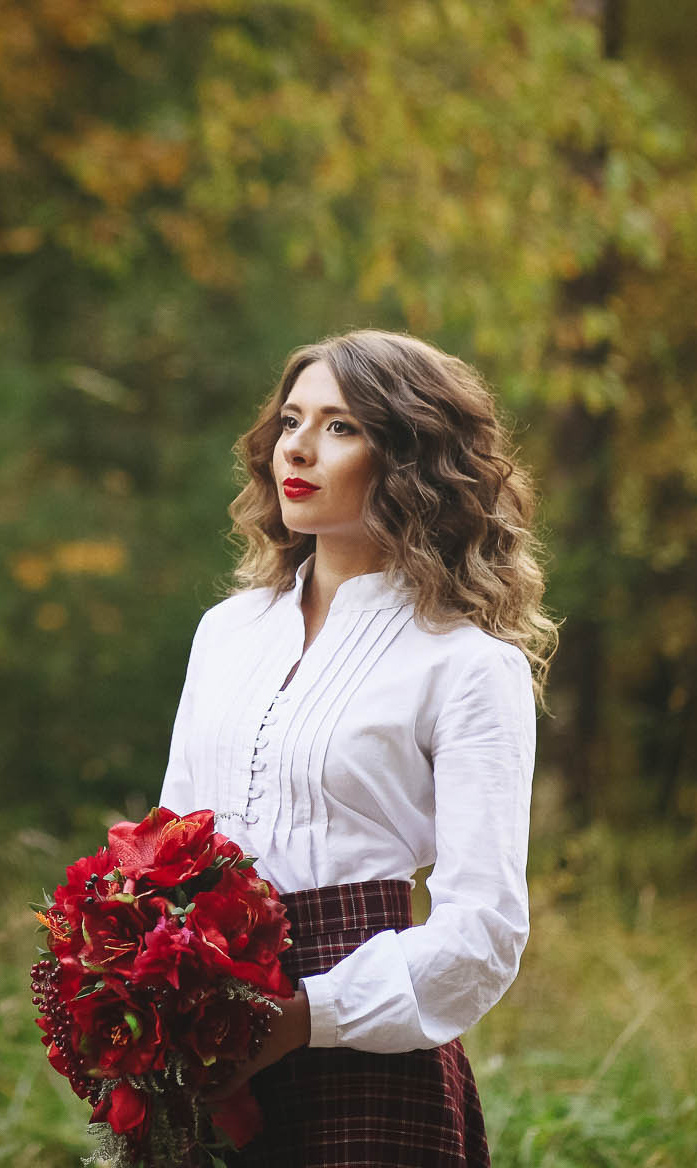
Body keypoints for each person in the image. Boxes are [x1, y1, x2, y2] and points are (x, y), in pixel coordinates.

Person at [157, 329, 551, 1168]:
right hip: (208, 1051)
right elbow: (169, 845)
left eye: (340, 427)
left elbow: (484, 931)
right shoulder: (226, 634)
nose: (294, 448)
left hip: (370, 1064)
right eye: (291, 420)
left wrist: (300, 1018)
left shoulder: (471, 666)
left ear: (410, 458)